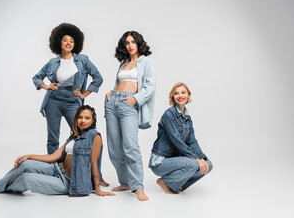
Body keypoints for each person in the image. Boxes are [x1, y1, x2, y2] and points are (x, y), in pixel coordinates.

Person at [0, 105, 114, 197]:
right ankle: (0, 184)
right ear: (76, 118)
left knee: (26, 179)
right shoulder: (74, 136)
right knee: (25, 164)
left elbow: (94, 164)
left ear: (93, 120)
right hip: (58, 169)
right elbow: (55, 156)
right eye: (80, 117)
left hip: (69, 181)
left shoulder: (94, 136)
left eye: (87, 118)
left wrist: (97, 189)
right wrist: (29, 155)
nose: (82, 120)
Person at [32, 23, 103, 155]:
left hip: (73, 103)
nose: (68, 43)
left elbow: (98, 78)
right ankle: (54, 167)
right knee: (53, 139)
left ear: (76, 43)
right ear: (59, 42)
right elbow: (36, 78)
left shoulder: (83, 60)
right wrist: (46, 86)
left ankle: (80, 166)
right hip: (53, 102)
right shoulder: (52, 62)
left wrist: (83, 94)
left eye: (72, 40)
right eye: (65, 40)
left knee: (81, 135)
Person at [104, 31, 156, 201]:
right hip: (112, 103)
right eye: (127, 42)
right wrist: (111, 92)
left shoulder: (146, 62)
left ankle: (138, 186)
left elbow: (149, 86)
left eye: (133, 41)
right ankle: (125, 181)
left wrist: (135, 99)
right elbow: (119, 82)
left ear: (139, 43)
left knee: (130, 147)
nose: (130, 45)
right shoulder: (124, 63)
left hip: (129, 104)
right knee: (114, 148)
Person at [148, 82, 213, 194]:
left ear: (188, 95)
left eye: (183, 92)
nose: (180, 95)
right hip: (161, 161)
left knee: (208, 165)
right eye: (176, 93)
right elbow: (176, 140)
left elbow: (192, 141)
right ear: (173, 97)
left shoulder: (187, 118)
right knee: (194, 163)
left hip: (176, 160)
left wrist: (202, 158)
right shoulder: (169, 114)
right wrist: (196, 159)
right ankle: (165, 182)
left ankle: (180, 184)